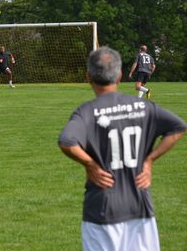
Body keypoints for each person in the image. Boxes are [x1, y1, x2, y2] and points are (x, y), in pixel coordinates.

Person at [58, 46, 186, 251]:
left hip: (102, 208)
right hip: (140, 206)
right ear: (119, 76)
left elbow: (66, 141)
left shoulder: (86, 112)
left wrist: (90, 164)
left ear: (88, 76)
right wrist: (149, 160)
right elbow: (178, 127)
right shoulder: (144, 107)